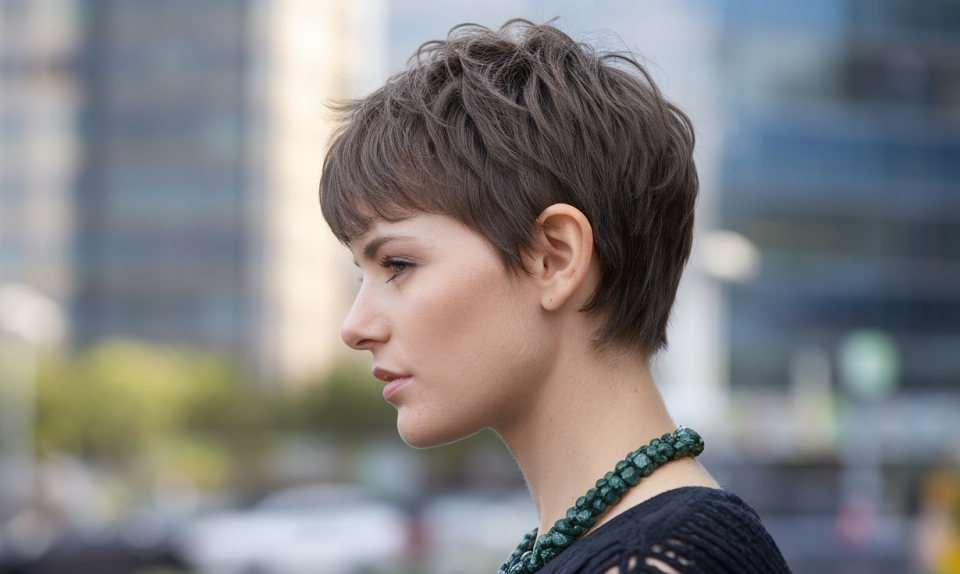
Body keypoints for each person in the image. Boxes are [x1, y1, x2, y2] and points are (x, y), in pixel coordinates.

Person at [319, 19, 790, 574]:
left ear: (554, 258)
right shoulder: (613, 542)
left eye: (397, 265)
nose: (355, 327)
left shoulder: (652, 562)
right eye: (361, 275)